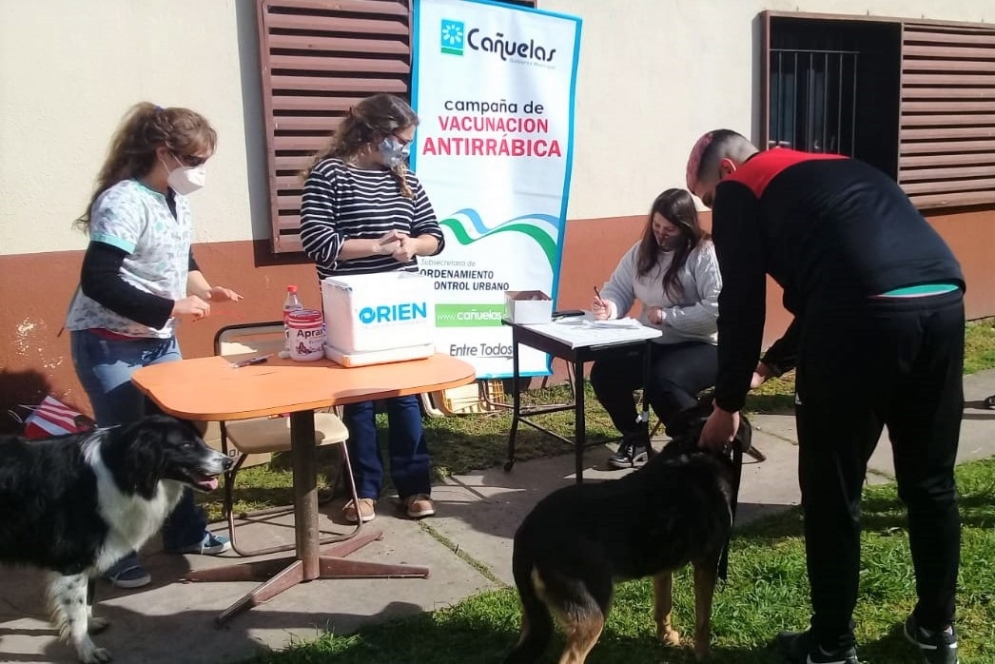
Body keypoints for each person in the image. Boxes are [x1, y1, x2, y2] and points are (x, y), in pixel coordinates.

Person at [686, 129, 964, 664]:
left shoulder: (742, 187)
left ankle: (832, 644)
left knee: (832, 489)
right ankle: (936, 628)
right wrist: (769, 366)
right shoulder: (834, 167)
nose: (714, 212)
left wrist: (727, 405)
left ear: (726, 170)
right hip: (942, 302)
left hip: (858, 321)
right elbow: (841, 281)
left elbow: (741, 304)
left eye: (708, 200)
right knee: (931, 482)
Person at [65, 102, 242, 589]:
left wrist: (204, 288)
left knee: (177, 443)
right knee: (124, 451)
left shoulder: (173, 197)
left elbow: (181, 254)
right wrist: (171, 307)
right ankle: (115, 553)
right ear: (164, 153)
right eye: (196, 160)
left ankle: (185, 532)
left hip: (158, 342)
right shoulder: (123, 200)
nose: (200, 171)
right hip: (110, 345)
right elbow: (99, 279)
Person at [299, 93, 445, 524]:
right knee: (359, 400)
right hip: (350, 305)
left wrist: (413, 245)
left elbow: (434, 235)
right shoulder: (330, 174)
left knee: (404, 397)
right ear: (375, 133)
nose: (406, 149)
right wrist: (376, 246)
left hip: (399, 302)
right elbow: (317, 242)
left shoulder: (404, 177)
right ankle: (362, 489)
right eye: (402, 140)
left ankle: (414, 487)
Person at [589, 188, 722, 469]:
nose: (661, 234)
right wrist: (609, 307)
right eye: (657, 226)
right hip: (651, 339)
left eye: (669, 229)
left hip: (701, 343)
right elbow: (619, 289)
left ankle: (697, 445)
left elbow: (715, 310)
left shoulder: (703, 253)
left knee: (662, 381)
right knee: (605, 373)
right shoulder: (641, 251)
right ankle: (635, 438)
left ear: (685, 227)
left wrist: (669, 316)